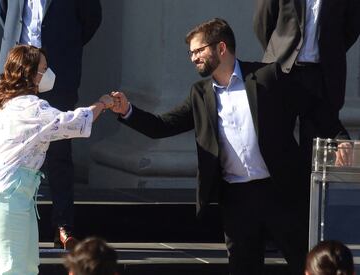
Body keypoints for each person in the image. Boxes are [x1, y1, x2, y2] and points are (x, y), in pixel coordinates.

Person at [110, 18, 315, 275]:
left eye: (199, 50)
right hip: (237, 199)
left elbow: (311, 105)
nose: (193, 57)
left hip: (280, 192)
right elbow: (162, 126)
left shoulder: (266, 77)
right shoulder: (200, 94)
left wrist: (337, 137)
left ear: (221, 48)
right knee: (243, 268)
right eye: (191, 53)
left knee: (306, 265)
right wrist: (127, 111)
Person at [0, 45, 113, 275]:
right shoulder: (31, 109)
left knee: (28, 268)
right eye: (43, 68)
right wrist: (102, 103)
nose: (48, 73)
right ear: (29, 73)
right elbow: (74, 122)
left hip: (16, 196)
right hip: (7, 197)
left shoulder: (9, 104)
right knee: (14, 269)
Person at [0, 0, 102, 249]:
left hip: (58, 70)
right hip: (17, 71)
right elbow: (4, 12)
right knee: (9, 147)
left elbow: (90, 19)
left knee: (59, 149)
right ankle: (4, 224)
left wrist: (65, 45)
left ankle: (63, 225)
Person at [253, 0, 359, 231]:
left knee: (314, 155)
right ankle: (274, 226)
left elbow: (351, 28)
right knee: (275, 148)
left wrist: (328, 52)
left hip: (321, 75)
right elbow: (263, 22)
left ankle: (306, 226)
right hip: (282, 72)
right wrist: (280, 52)